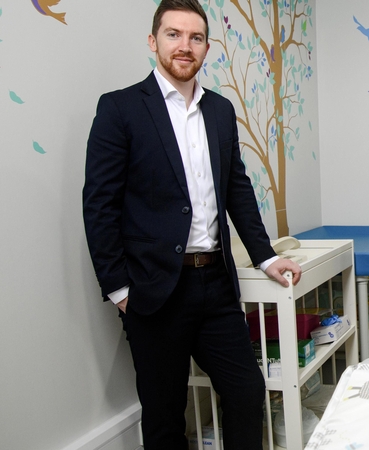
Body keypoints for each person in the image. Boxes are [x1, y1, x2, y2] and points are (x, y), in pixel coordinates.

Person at [82, 1, 302, 448]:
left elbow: (236, 189)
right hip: (154, 291)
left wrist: (266, 256)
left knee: (246, 392)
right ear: (153, 41)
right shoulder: (120, 109)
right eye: (174, 34)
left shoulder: (219, 110)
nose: (185, 46)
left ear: (206, 47)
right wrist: (119, 289)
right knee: (165, 416)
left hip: (215, 286)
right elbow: (99, 204)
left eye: (196, 37)